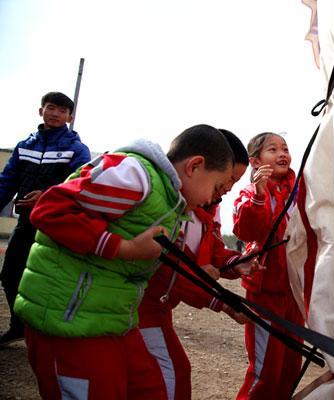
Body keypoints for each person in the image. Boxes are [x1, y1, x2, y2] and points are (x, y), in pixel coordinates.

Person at [13, 124, 234, 399]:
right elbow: (50, 209)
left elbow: (172, 261)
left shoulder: (171, 205)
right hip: (69, 322)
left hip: (113, 320)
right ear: (194, 166)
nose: (214, 198)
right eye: (216, 187)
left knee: (152, 389)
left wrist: (224, 301)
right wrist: (125, 248)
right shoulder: (136, 176)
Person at [138, 129, 255, 400]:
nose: (226, 191)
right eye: (224, 182)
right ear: (198, 166)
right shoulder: (168, 205)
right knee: (167, 376)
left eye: (232, 183)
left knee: (175, 372)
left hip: (157, 309)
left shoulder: (205, 206)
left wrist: (237, 262)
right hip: (139, 308)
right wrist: (222, 302)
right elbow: (168, 267)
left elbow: (211, 253)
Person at [0, 92, 91, 345]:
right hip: (26, 222)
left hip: (57, 227)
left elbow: (81, 186)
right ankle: (19, 327)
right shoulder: (24, 146)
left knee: (53, 281)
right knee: (10, 274)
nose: (55, 113)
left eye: (62, 111)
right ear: (41, 111)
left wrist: (47, 196)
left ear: (70, 117)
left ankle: (53, 335)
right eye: (51, 108)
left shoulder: (77, 150)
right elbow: (6, 182)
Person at [233, 132, 304, 399]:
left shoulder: (301, 190)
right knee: (265, 372)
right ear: (254, 161)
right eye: (272, 150)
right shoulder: (249, 194)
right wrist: (260, 195)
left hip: (295, 294)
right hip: (266, 294)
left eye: (285, 148)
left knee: (290, 369)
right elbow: (246, 231)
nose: (282, 154)